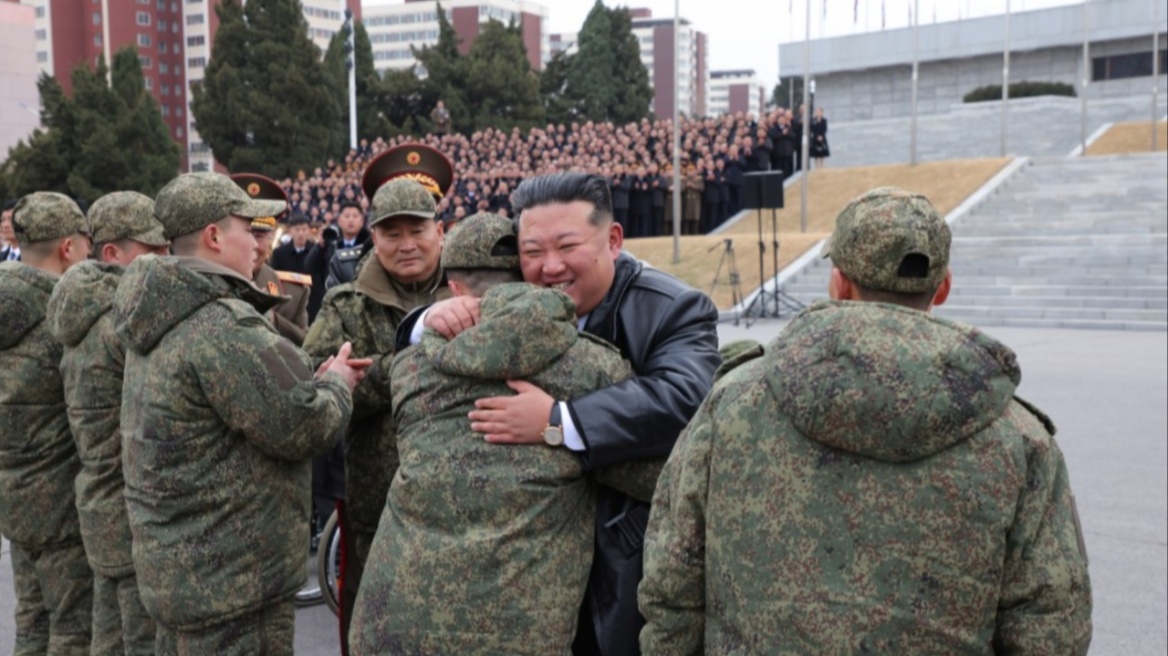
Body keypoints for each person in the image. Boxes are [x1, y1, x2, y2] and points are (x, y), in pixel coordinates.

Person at [638, 187, 1094, 655]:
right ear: (943, 287)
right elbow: (1053, 624)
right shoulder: (1019, 439)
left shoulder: (732, 404)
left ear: (837, 283)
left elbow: (672, 579)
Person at [406, 172, 721, 656]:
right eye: (532, 253)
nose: (549, 267)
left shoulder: (671, 308)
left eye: (567, 246)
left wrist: (559, 420)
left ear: (613, 240)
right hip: (522, 569)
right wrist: (427, 320)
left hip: (620, 561)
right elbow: (423, 324)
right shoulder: (521, 300)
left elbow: (684, 399)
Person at [350, 213, 661, 654]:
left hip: (392, 622)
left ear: (454, 289)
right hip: (513, 633)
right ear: (532, 279)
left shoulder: (411, 369)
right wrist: (562, 431)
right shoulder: (593, 367)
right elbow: (650, 477)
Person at [113, 172, 366, 655]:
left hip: (188, 572)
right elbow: (302, 426)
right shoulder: (221, 324)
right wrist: (337, 382)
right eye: (248, 229)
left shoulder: (163, 309)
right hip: (232, 582)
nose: (258, 242)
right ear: (213, 236)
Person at [302, 174, 451, 654]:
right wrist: (427, 358)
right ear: (374, 238)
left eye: (417, 230)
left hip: (464, 505)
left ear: (441, 231)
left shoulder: (473, 286)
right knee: (371, 630)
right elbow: (317, 385)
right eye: (391, 233)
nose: (406, 245)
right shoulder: (346, 305)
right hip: (375, 505)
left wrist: (376, 371)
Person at [44, 191, 169, 656]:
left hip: (100, 500)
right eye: (152, 249)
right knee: (137, 641)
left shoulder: (86, 311)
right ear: (113, 253)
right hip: (127, 503)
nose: (164, 258)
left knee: (107, 638)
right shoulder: (119, 322)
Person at [0, 192, 94, 655]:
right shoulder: (64, 316)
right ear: (67, 247)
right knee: (74, 629)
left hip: (15, 496)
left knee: (32, 621)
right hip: (62, 505)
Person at [232, 173, 312, 346]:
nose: (252, 244)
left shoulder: (293, 292)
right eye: (246, 233)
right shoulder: (202, 279)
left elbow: (307, 348)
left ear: (271, 239)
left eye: (259, 236)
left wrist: (273, 320)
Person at [270, 212, 328, 321]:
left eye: (304, 229)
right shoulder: (279, 253)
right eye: (297, 229)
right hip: (288, 303)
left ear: (309, 231)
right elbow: (273, 278)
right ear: (290, 231)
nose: (301, 233)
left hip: (314, 303)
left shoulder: (318, 252)